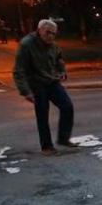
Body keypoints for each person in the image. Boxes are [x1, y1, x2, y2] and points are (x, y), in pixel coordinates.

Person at [13, 19, 78, 156]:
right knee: (42, 115)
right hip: (37, 84)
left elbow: (59, 60)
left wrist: (62, 71)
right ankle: (46, 146)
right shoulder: (27, 45)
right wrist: (26, 91)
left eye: (53, 34)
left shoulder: (53, 45)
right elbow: (19, 70)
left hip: (52, 82)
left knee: (67, 106)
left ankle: (63, 138)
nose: (50, 36)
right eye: (48, 32)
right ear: (39, 30)